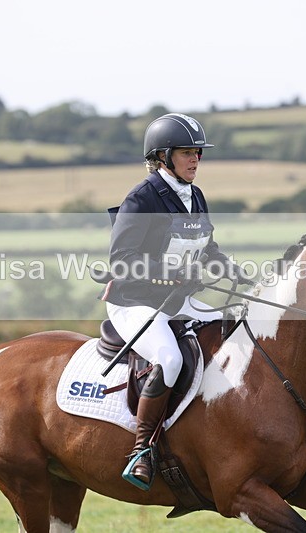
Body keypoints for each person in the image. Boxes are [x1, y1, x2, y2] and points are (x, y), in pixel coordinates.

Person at [103, 113, 247, 490]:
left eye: (198, 153)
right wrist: (172, 272)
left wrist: (240, 276)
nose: (195, 160)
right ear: (163, 156)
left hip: (176, 300)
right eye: (187, 153)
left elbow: (208, 248)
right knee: (169, 357)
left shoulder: (194, 195)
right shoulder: (141, 198)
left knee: (234, 330)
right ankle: (141, 450)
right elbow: (122, 260)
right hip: (135, 302)